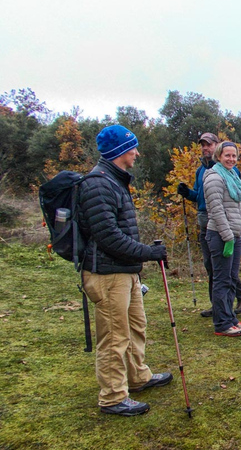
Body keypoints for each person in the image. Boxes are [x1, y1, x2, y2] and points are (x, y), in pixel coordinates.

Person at [78, 125, 172, 416]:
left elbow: (119, 232)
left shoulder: (115, 181)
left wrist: (140, 259)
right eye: (133, 148)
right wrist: (149, 253)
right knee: (115, 335)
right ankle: (112, 396)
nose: (137, 153)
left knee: (135, 327)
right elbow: (108, 237)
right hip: (107, 274)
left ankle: (137, 376)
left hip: (124, 272)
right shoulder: (98, 184)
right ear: (120, 151)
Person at [178, 132, 241, 317]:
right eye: (203, 145)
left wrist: (239, 233)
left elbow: (235, 200)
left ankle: (238, 298)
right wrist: (187, 193)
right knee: (212, 266)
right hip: (205, 220)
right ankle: (219, 306)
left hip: (223, 224)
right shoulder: (201, 171)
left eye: (209, 145)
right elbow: (200, 197)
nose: (205, 148)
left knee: (223, 270)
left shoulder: (229, 171)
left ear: (217, 148)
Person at [204, 141, 241, 337]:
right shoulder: (214, 177)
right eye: (227, 155)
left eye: (234, 156)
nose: (231, 159)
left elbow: (237, 210)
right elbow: (216, 211)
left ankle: (230, 317)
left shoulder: (233, 176)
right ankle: (222, 323)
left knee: (231, 279)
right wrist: (228, 237)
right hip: (221, 235)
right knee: (221, 280)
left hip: (235, 234)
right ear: (218, 156)